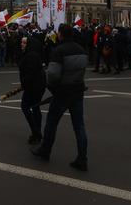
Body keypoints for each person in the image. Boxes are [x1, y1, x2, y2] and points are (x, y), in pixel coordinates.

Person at [31, 24, 89, 172]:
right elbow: (82, 72)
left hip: (62, 93)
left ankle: (45, 150)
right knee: (79, 126)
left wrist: (53, 88)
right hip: (77, 92)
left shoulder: (59, 51)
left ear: (61, 34)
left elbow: (53, 75)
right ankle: (82, 158)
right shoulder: (81, 50)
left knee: (51, 122)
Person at [19, 36, 46, 144]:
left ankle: (36, 131)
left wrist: (24, 83)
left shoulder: (31, 56)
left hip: (34, 86)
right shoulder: (32, 54)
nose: (22, 44)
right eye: (22, 42)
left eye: (24, 43)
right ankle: (37, 131)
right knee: (35, 108)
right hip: (37, 85)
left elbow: (30, 73)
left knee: (25, 106)